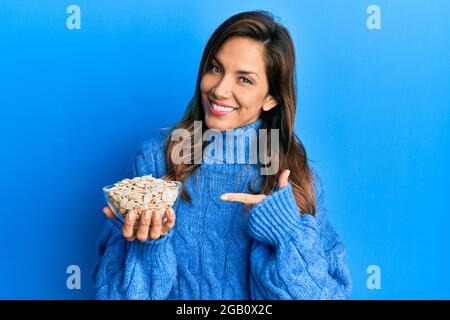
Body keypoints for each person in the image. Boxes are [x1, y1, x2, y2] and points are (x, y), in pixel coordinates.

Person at [93, 10, 351, 300]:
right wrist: (148, 246)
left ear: (271, 98)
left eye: (245, 80)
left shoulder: (296, 179)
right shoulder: (155, 160)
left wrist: (286, 234)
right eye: (216, 69)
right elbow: (114, 296)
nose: (219, 90)